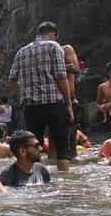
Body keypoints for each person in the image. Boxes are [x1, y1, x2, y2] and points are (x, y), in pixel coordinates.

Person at [9, 21, 74, 171]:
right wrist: (68, 103)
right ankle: (65, 185)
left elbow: (12, 79)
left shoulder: (21, 51)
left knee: (33, 147)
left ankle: (35, 183)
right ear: (53, 34)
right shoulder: (54, 46)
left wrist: (20, 97)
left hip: (31, 107)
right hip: (54, 104)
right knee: (62, 148)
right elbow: (60, 76)